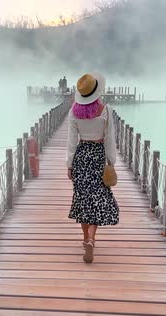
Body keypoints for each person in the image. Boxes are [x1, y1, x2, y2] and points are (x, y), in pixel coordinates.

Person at [66, 72, 119, 264]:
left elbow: (72, 141)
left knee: (82, 197)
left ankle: (84, 238)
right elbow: (110, 140)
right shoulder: (105, 111)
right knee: (97, 198)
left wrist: (69, 164)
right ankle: (92, 238)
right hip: (98, 156)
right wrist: (111, 162)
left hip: (81, 155)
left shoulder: (73, 112)